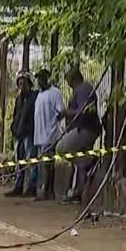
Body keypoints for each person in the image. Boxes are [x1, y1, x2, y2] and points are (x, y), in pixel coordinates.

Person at [56, 66, 102, 204]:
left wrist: (66, 112)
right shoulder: (81, 88)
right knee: (78, 162)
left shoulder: (83, 89)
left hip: (86, 129)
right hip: (84, 128)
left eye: (69, 82)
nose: (69, 85)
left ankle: (89, 160)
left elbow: (83, 110)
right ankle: (78, 192)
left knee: (62, 149)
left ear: (74, 79)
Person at [32, 68, 65, 201]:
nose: (39, 81)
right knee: (45, 164)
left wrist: (55, 122)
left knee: (47, 164)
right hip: (40, 135)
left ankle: (47, 191)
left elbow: (61, 111)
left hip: (50, 134)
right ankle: (47, 191)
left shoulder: (55, 93)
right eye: (38, 78)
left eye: (41, 78)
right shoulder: (39, 95)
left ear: (47, 78)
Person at [6, 71, 39, 197]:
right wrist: (14, 128)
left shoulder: (34, 97)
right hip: (18, 134)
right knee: (19, 162)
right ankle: (18, 186)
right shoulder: (19, 99)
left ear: (29, 84)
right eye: (19, 83)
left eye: (24, 83)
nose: (21, 85)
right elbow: (16, 115)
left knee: (31, 160)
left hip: (29, 133)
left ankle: (31, 187)